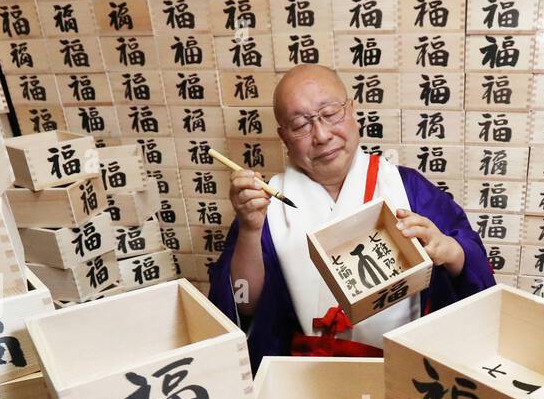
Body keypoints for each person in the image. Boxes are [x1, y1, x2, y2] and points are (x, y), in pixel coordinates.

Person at [208, 64, 495, 367]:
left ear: (352, 110)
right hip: (304, 379)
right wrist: (250, 231)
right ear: (284, 136)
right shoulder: (264, 205)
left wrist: (450, 251)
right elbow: (243, 305)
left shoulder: (406, 187)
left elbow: (469, 261)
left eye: (330, 114)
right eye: (300, 124)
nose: (321, 135)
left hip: (404, 371)